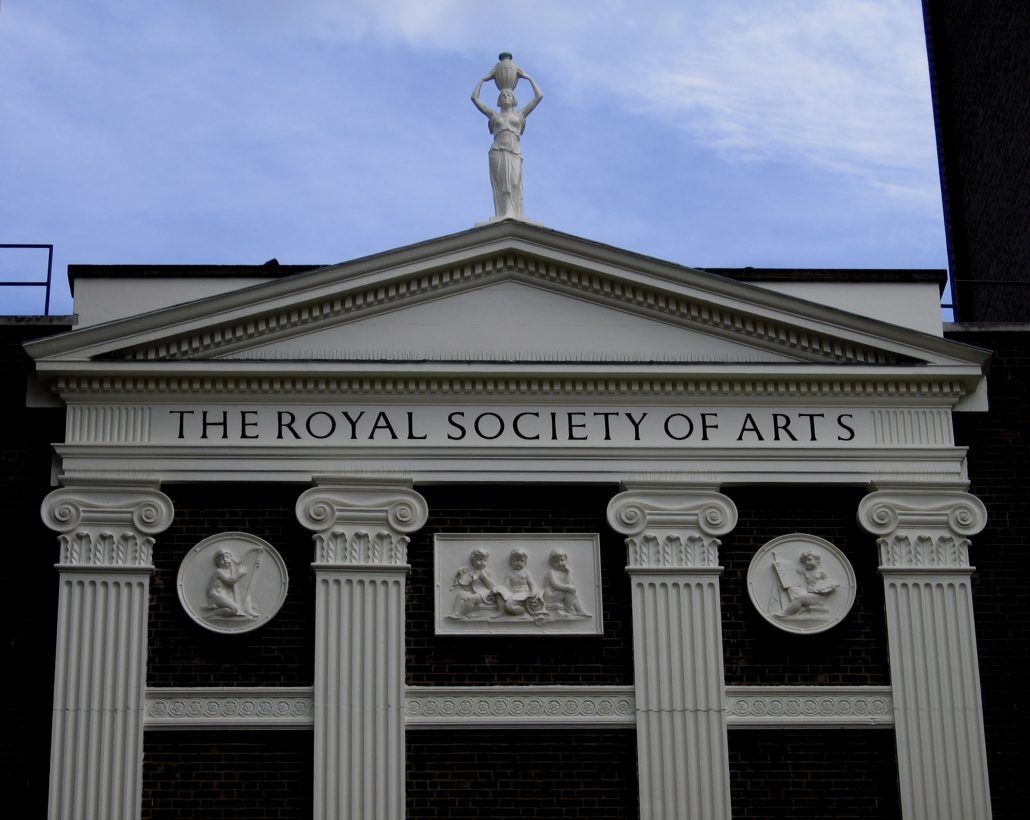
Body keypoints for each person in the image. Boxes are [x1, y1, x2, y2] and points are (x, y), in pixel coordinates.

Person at [471, 59, 543, 219]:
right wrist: (484, 79)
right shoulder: (494, 115)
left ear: (513, 99)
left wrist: (527, 77)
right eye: (502, 95)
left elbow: (539, 96)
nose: (505, 96)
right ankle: (503, 213)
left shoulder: (520, 115)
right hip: (497, 151)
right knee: (502, 185)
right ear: (498, 101)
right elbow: (475, 98)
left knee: (514, 183)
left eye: (508, 94)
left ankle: (515, 213)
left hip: (514, 151)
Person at [781, 550, 839, 616]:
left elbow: (830, 584)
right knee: (792, 590)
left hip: (819, 596)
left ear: (817, 560)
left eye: (809, 560)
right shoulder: (806, 572)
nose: (807, 562)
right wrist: (782, 567)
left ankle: (786, 613)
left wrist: (822, 590)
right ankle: (799, 608)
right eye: (805, 561)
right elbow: (794, 570)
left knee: (799, 598)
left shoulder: (821, 573)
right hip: (809, 594)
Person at [447, 548, 500, 619]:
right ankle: (454, 612)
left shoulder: (487, 573)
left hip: (487, 596)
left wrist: (483, 577)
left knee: (471, 599)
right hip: (477, 593)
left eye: (484, 560)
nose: (482, 562)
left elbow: (493, 587)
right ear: (473, 561)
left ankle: (460, 614)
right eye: (479, 560)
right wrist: (460, 578)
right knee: (461, 594)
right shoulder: (471, 572)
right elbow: (468, 587)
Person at [206, 549, 259, 617]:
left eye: (227, 557)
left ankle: (249, 611)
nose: (225, 560)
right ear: (217, 562)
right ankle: (213, 613)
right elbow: (230, 581)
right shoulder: (218, 571)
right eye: (222, 559)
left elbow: (236, 579)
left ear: (231, 559)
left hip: (224, 594)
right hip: (215, 595)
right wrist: (240, 573)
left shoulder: (231, 570)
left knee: (245, 594)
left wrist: (254, 564)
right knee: (234, 610)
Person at [496, 548, 546, 618]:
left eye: (521, 561)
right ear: (511, 562)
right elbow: (505, 585)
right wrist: (500, 590)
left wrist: (533, 592)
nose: (518, 563)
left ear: (525, 562)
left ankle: (525, 611)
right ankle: (501, 611)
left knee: (509, 605)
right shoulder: (509, 573)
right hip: (513, 594)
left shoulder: (526, 573)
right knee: (504, 599)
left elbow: (532, 584)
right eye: (516, 561)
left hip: (524, 594)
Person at [543, 550, 591, 617]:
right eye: (556, 562)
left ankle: (580, 610)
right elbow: (555, 585)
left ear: (566, 561)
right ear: (552, 563)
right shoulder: (551, 572)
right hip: (550, 596)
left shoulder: (564, 572)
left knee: (573, 592)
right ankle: (570, 609)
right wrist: (569, 588)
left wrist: (568, 572)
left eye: (562, 560)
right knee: (568, 591)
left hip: (558, 594)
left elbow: (569, 583)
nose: (559, 563)